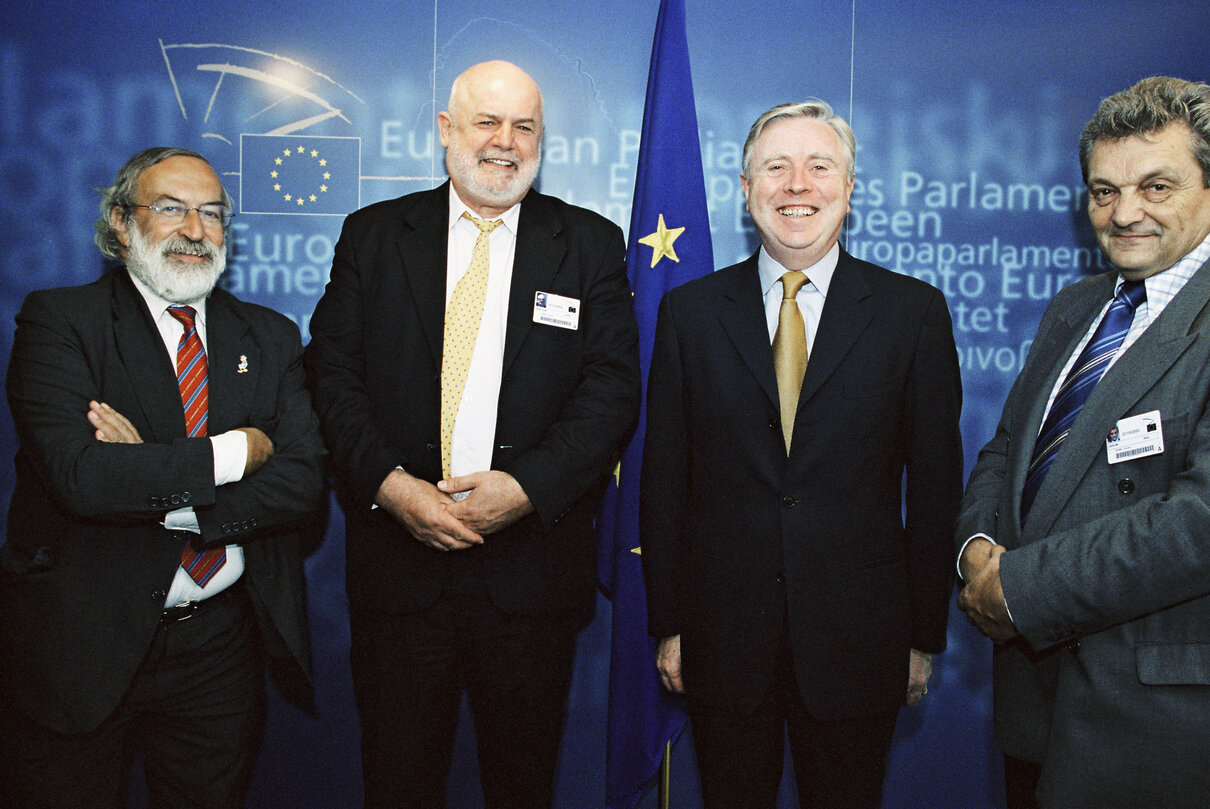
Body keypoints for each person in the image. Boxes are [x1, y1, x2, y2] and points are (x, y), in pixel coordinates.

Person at [305, 60, 640, 808]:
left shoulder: (588, 244)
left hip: (529, 582)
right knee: (396, 784)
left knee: (522, 787)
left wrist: (528, 488)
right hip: (399, 577)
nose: (504, 142)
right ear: (445, 130)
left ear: (543, 140)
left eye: (524, 126)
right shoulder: (375, 236)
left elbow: (612, 388)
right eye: (487, 121)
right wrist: (392, 488)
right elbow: (331, 377)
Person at [640, 100, 963, 809]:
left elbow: (937, 488)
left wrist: (921, 634)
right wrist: (670, 623)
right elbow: (663, 482)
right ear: (746, 188)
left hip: (861, 643)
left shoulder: (913, 314)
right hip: (722, 642)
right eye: (775, 168)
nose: (797, 186)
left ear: (850, 189)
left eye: (819, 167)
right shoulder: (689, 314)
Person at [0, 147, 325, 808]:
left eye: (213, 214)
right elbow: (81, 476)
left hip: (218, 650)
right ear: (122, 223)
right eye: (171, 208)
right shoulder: (61, 322)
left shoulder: (269, 336)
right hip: (82, 642)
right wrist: (238, 450)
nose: (196, 230)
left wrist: (158, 481)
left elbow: (301, 483)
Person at [956, 76, 1210, 809]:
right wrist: (975, 547)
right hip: (1037, 710)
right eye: (1104, 191)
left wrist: (1021, 587)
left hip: (1157, 729)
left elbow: (1197, 523)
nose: (1124, 213)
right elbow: (1007, 449)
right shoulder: (1077, 306)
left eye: (1156, 186)